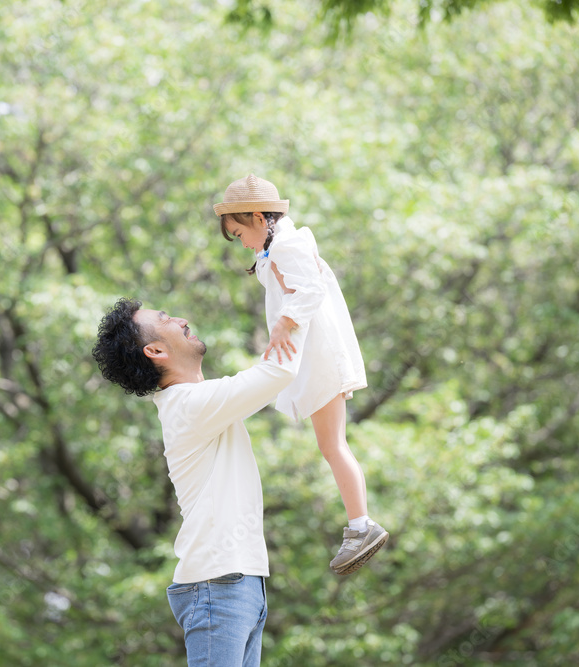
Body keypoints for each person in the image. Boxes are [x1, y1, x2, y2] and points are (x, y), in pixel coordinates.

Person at [92, 297, 307, 666]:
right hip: (218, 585)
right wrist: (299, 306)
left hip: (237, 582)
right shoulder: (189, 406)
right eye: (165, 319)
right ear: (155, 350)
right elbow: (279, 372)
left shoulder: (194, 404)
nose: (181, 318)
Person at [214, 174, 388, 576]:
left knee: (333, 445)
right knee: (331, 444)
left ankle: (362, 525)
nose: (241, 242)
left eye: (240, 232)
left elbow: (309, 289)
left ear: (259, 218)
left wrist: (284, 322)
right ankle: (359, 524)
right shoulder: (279, 246)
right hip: (316, 358)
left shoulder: (289, 245)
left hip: (321, 358)